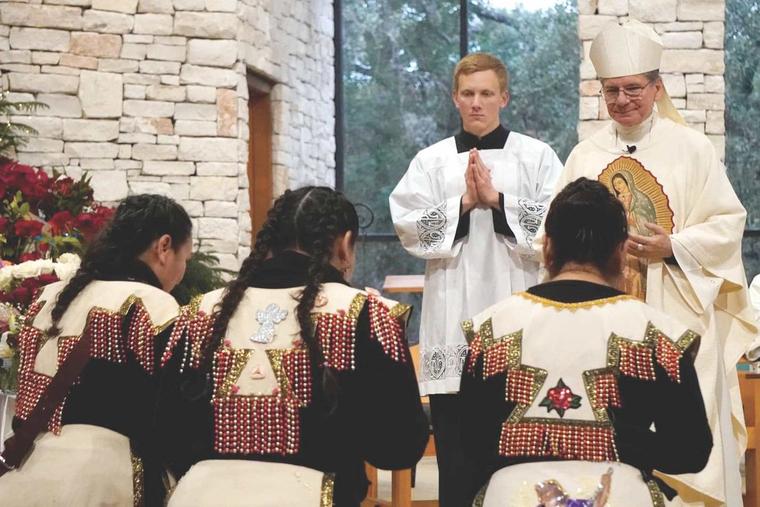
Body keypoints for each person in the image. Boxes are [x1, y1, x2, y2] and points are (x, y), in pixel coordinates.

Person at [545, 19, 759, 506]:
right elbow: (552, 235)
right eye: (611, 90)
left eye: (633, 89)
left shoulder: (692, 150)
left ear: (657, 88)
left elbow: (728, 224)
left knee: (681, 441)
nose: (622, 100)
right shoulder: (584, 155)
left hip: (675, 314)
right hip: (599, 327)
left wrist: (676, 247)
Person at [158, 186, 428, 506]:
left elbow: (164, 430)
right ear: (344, 245)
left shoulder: (199, 313)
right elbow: (398, 446)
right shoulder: (365, 315)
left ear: (270, 244)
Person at [461, 178, 712, 506]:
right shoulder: (658, 334)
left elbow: (471, 443)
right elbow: (690, 451)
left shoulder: (490, 329)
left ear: (548, 246)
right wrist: (616, 441)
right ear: (621, 251)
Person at [388, 52, 563, 506]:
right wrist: (463, 205)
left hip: (520, 318)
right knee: (458, 463)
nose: (477, 103)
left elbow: (558, 226)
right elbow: (407, 227)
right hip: (453, 320)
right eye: (468, 94)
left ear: (504, 97)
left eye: (487, 93)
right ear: (454, 98)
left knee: (519, 464)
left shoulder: (537, 156)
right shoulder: (431, 161)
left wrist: (498, 199)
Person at [0, 194, 193, 506]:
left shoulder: (45, 298)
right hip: (104, 481)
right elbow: (172, 413)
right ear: (164, 246)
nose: (183, 269)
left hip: (26, 475)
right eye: (186, 258)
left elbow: (25, 405)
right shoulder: (152, 304)